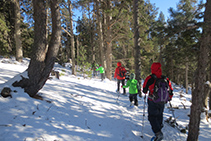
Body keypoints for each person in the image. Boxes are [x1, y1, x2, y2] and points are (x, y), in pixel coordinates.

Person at [142, 62, 173, 141]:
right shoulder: (165, 78)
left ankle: (158, 133)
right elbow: (170, 90)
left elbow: (144, 90)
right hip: (162, 101)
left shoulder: (150, 78)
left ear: (152, 69)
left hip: (152, 100)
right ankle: (159, 128)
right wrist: (169, 97)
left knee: (152, 116)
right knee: (159, 114)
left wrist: (147, 90)